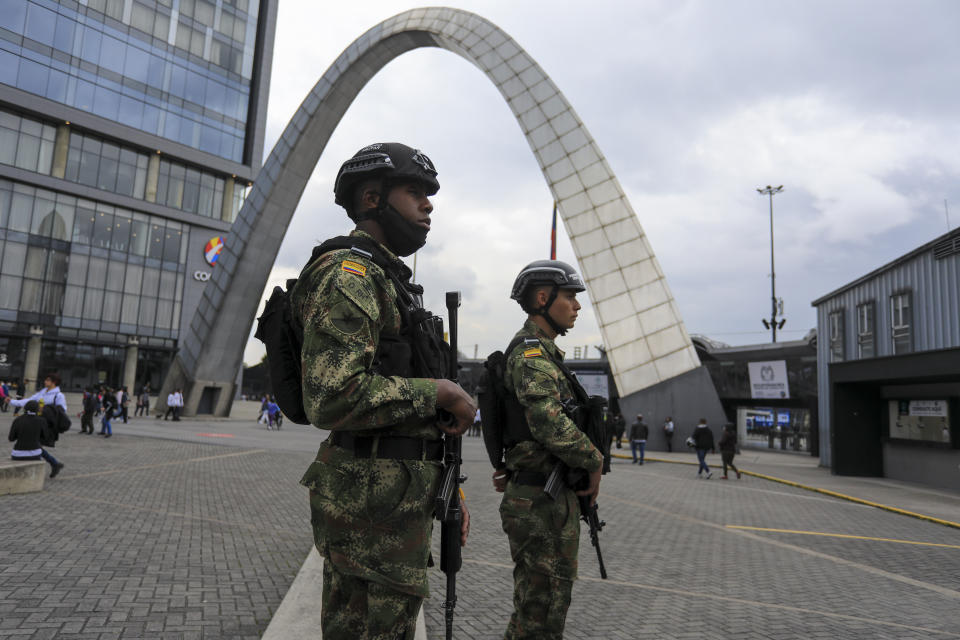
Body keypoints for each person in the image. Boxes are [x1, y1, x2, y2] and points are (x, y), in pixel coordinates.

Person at [290, 142, 476, 638]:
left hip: (390, 501)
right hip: (371, 510)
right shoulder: (350, 275)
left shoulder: (387, 277)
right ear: (372, 198)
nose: (428, 204)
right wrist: (438, 392)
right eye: (414, 192)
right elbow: (332, 394)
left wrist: (447, 489)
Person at [491, 259, 603, 640]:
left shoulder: (545, 355)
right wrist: (594, 460)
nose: (576, 306)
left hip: (546, 497)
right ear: (543, 297)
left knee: (538, 608)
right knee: (542, 610)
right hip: (540, 502)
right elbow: (548, 423)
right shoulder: (532, 356)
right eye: (570, 296)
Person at [8, 400, 64, 478]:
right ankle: (55, 464)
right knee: (37, 446)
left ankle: (55, 464)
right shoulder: (41, 420)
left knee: (35, 445)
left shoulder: (17, 420)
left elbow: (11, 438)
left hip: (17, 454)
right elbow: (45, 437)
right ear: (37, 409)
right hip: (34, 454)